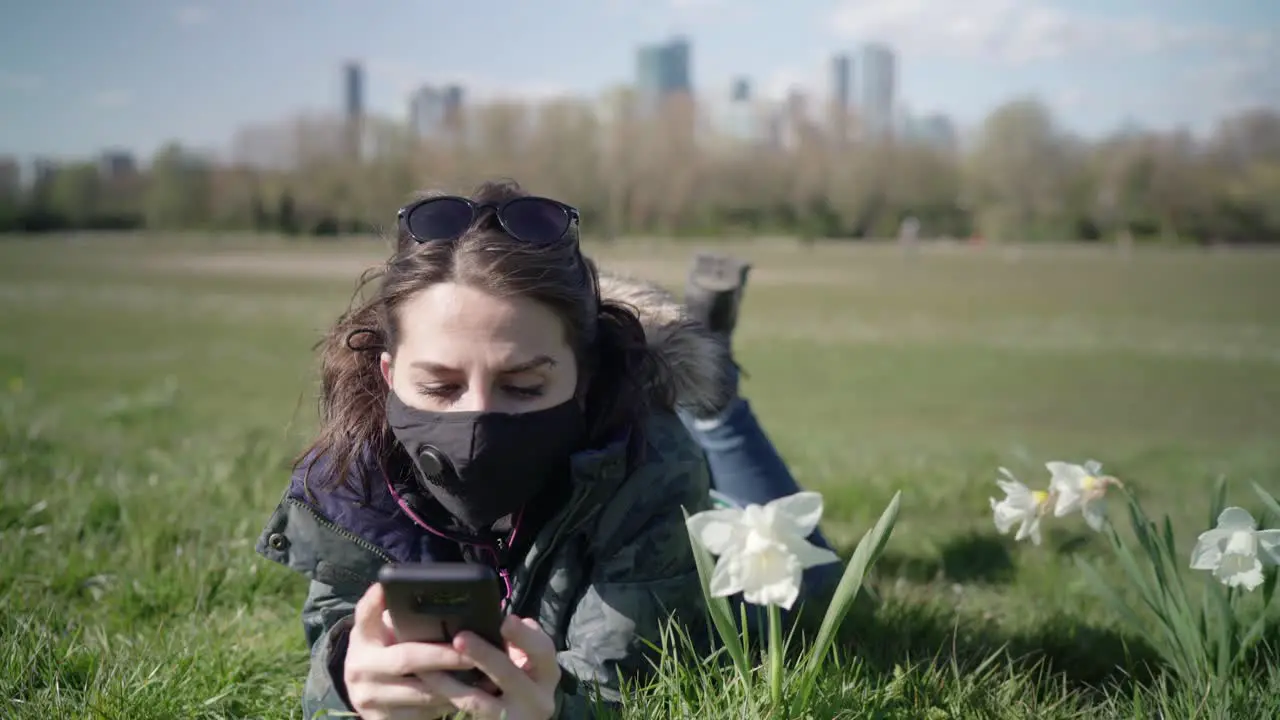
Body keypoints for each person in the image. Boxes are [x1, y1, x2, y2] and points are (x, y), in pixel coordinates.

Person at [255, 180, 837, 720]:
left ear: (584, 378)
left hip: (717, 549)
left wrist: (556, 710)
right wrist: (346, 682)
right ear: (388, 376)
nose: (476, 419)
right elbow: (336, 630)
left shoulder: (654, 464)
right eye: (438, 386)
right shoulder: (353, 471)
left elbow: (626, 682)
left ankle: (710, 376)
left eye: (524, 386)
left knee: (806, 571)